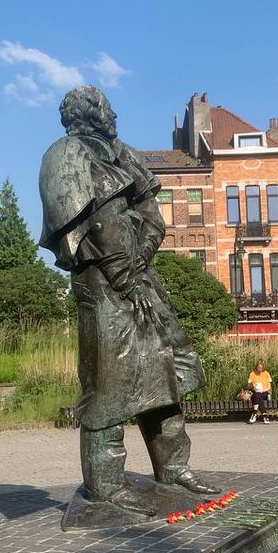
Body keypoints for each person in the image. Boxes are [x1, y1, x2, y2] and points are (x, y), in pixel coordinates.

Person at [39, 85, 219, 512]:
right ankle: (106, 486)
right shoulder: (67, 156)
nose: (114, 114)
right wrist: (123, 275)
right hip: (103, 288)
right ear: (86, 115)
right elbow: (92, 223)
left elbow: (150, 216)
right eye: (106, 108)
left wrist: (137, 265)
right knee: (110, 386)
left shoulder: (123, 153)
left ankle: (174, 469)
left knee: (164, 377)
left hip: (140, 279)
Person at [247, 359, 272, 424]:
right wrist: (252, 386)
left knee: (259, 395)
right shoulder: (252, 374)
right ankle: (264, 416)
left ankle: (254, 414)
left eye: (261, 368)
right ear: (256, 367)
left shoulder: (266, 373)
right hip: (255, 392)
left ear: (263, 367)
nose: (259, 369)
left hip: (264, 392)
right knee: (258, 395)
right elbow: (248, 387)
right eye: (258, 368)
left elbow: (269, 387)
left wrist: (262, 390)